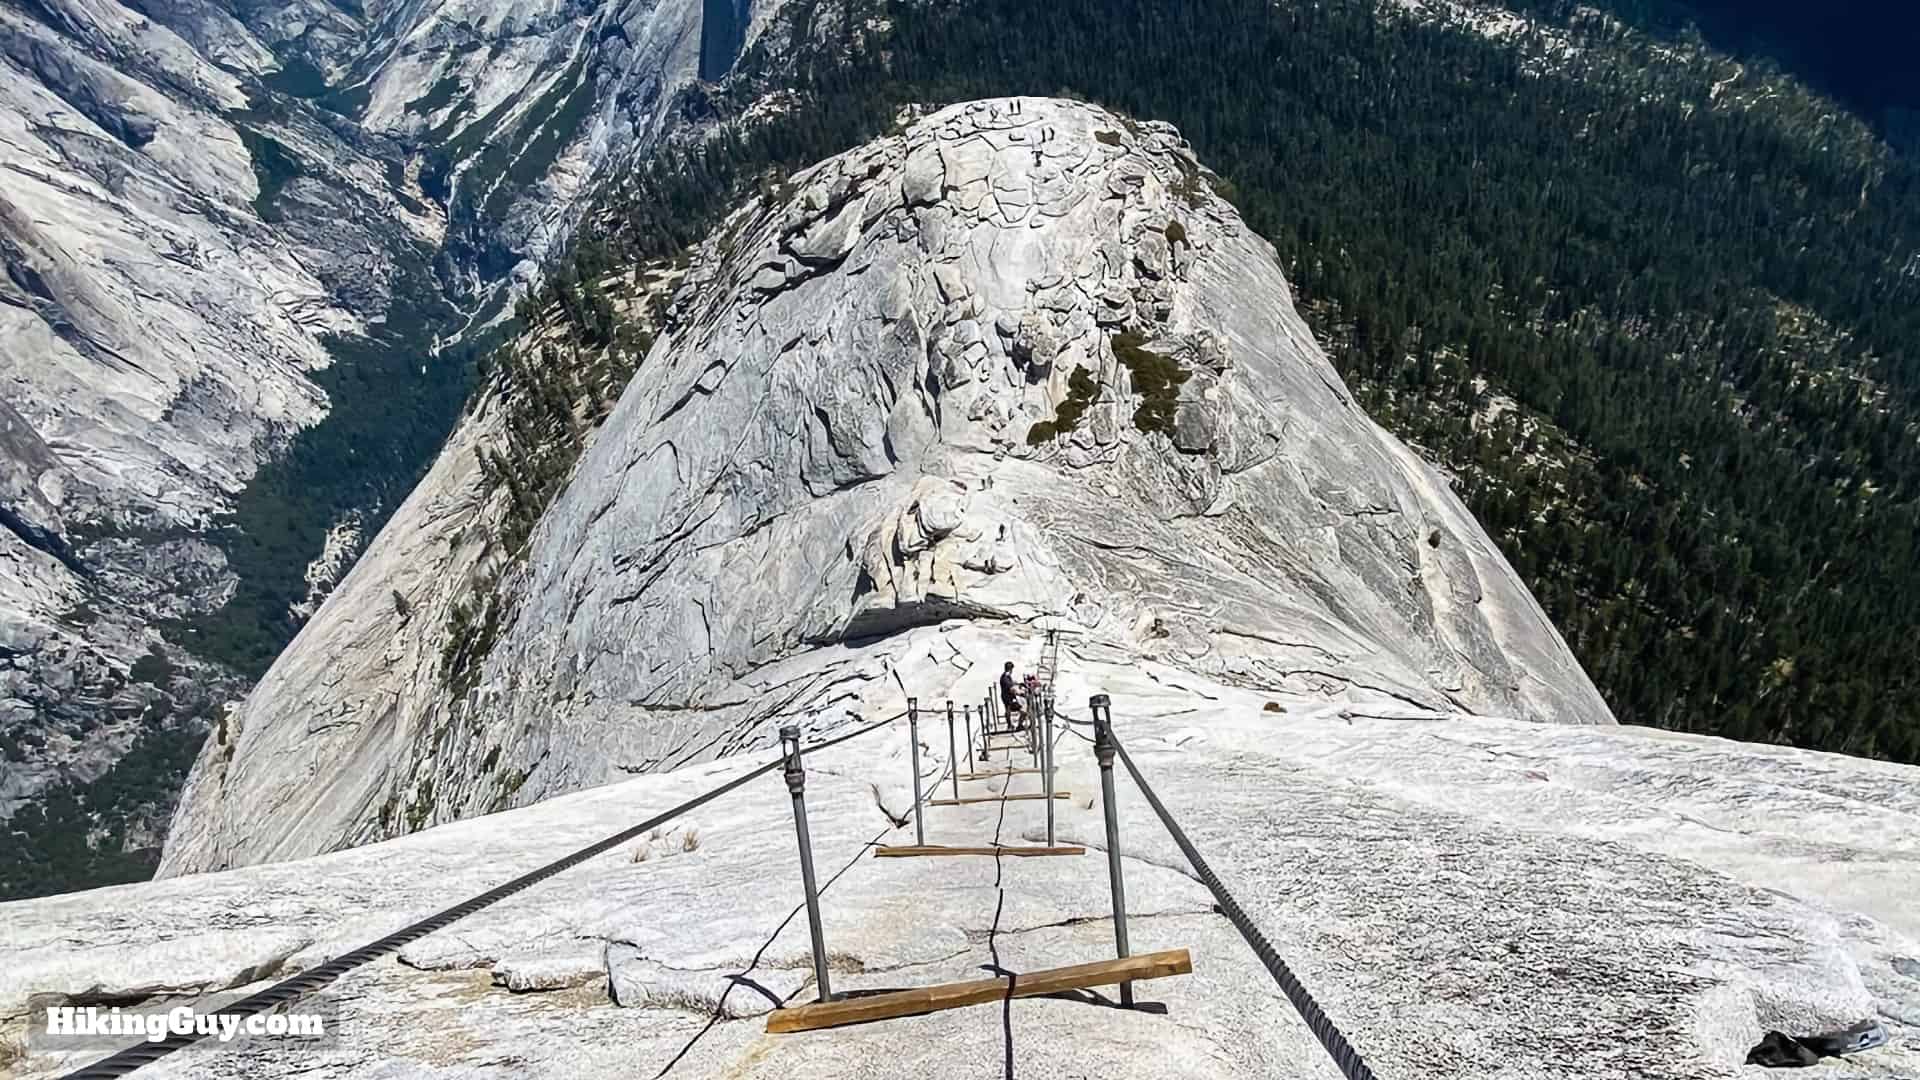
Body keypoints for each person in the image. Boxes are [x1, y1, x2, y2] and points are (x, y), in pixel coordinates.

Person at [1000, 661, 1024, 726]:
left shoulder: (1005, 676)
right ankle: (1016, 725)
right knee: (1021, 709)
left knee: (1008, 709)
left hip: (1006, 696)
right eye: (1011, 669)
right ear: (1010, 669)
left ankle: (1010, 725)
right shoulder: (1005, 677)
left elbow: (1011, 683)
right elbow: (1011, 688)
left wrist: (1017, 683)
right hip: (1007, 697)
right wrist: (1020, 693)